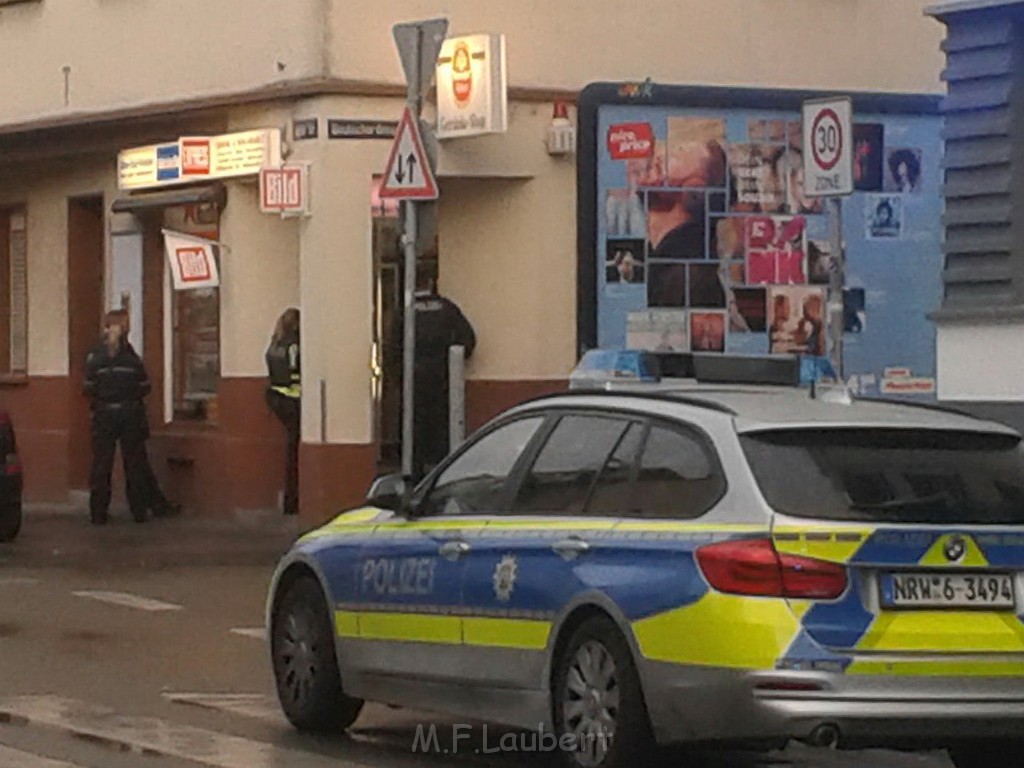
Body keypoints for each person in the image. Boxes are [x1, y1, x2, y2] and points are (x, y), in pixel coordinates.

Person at [84, 310, 179, 525]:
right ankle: (138, 511)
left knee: (101, 464)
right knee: (135, 463)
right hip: (130, 414)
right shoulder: (131, 357)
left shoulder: (95, 357)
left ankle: (98, 513)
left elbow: (88, 388)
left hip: (103, 415)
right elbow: (145, 386)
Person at [411, 275, 476, 480]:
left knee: (415, 430)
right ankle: (442, 473)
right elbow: (469, 340)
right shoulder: (448, 309)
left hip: (415, 380)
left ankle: (416, 474)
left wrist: (399, 378)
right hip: (443, 379)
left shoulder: (405, 311)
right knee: (442, 428)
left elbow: (393, 347)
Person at [265, 308, 301, 516]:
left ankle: (290, 500)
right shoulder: (294, 345)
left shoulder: (275, 344)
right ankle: (293, 500)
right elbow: (297, 372)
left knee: (291, 451)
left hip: (277, 400)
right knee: (294, 453)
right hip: (293, 401)